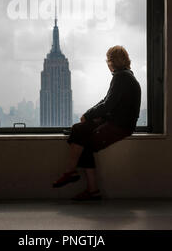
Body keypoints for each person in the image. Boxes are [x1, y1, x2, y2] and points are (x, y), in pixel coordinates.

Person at [52, 45, 141, 201]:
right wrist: (89, 114)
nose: (108, 64)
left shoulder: (121, 77)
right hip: (115, 122)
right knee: (78, 130)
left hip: (119, 126)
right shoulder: (125, 76)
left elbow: (107, 105)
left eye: (108, 60)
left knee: (83, 139)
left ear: (111, 62)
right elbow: (107, 101)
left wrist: (88, 115)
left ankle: (75, 175)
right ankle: (87, 186)